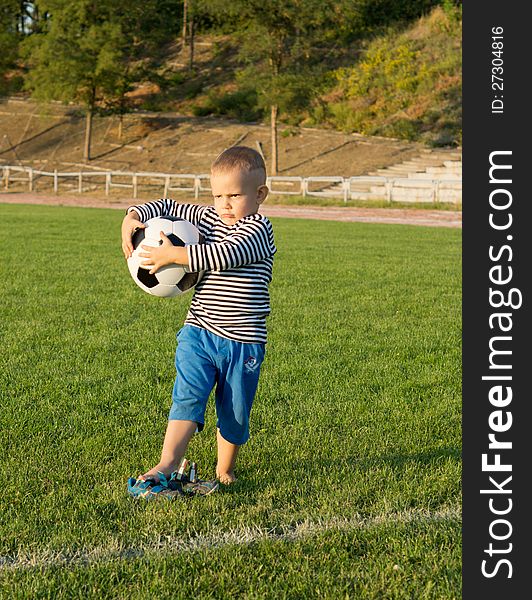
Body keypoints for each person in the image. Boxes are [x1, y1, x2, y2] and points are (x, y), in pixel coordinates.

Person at [121, 146, 276, 497]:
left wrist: (172, 255)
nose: (224, 204)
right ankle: (167, 463)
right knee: (188, 395)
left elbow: (221, 255)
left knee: (234, 412)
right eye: (218, 195)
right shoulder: (206, 218)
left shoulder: (259, 229)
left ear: (259, 194)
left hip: (244, 342)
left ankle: (225, 469)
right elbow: (165, 204)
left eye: (234, 195)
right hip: (200, 331)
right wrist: (131, 217)